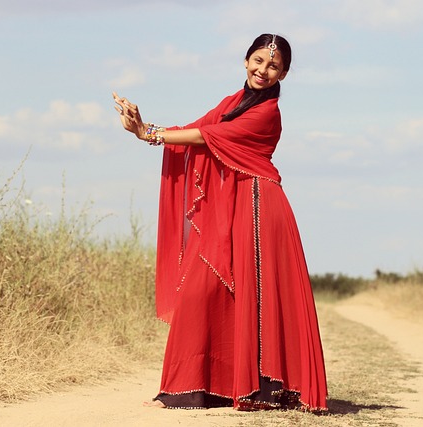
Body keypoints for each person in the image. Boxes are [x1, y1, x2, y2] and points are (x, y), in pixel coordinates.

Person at [113, 33, 328, 412]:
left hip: (261, 207)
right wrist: (144, 127)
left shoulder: (267, 112)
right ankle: (193, 388)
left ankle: (264, 388)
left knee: (256, 293)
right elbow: (196, 129)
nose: (264, 70)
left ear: (285, 74)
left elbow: (208, 136)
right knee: (204, 288)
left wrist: (148, 133)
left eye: (274, 65)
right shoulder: (232, 103)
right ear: (246, 61)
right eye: (259, 61)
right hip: (232, 205)